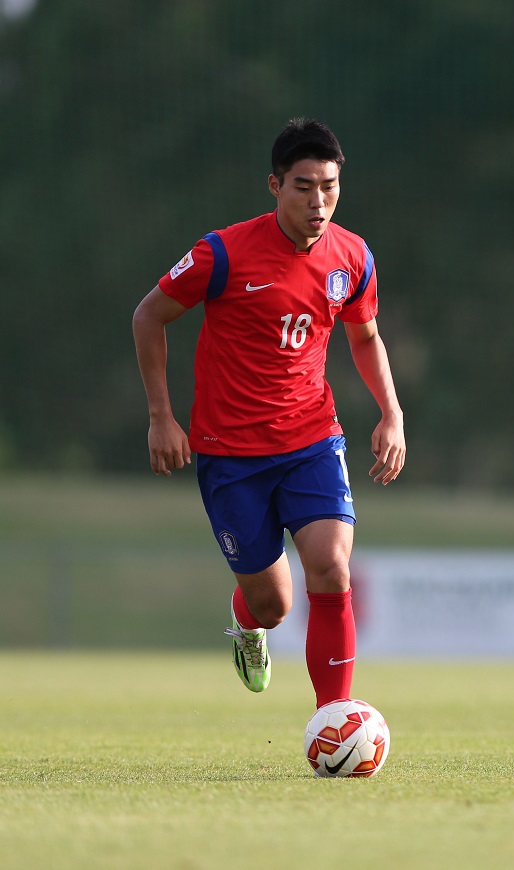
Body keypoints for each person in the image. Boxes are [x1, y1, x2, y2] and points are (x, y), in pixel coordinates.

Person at [132, 118, 405, 708]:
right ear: (275, 186)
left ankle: (334, 718)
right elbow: (148, 315)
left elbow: (364, 337)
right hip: (230, 454)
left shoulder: (352, 256)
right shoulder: (222, 253)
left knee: (332, 570)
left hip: (312, 440)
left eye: (329, 187)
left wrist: (392, 412)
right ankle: (247, 622)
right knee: (274, 606)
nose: (318, 201)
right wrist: (161, 416)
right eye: (303, 187)